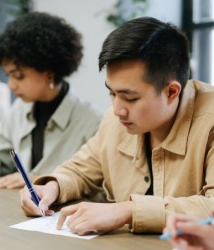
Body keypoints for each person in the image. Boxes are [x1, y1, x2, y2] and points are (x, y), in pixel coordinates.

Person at [20, 16, 214, 235]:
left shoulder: (210, 121)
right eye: (112, 93)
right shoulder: (115, 122)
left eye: (130, 98)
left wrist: (128, 211)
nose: (117, 110)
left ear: (171, 91)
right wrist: (51, 188)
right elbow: (80, 170)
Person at [0, 12, 101, 189]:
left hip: (57, 215)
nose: (10, 85)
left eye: (19, 76)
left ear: (49, 73)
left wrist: (41, 180)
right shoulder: (19, 109)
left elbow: (98, 187)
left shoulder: (91, 123)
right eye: (9, 75)